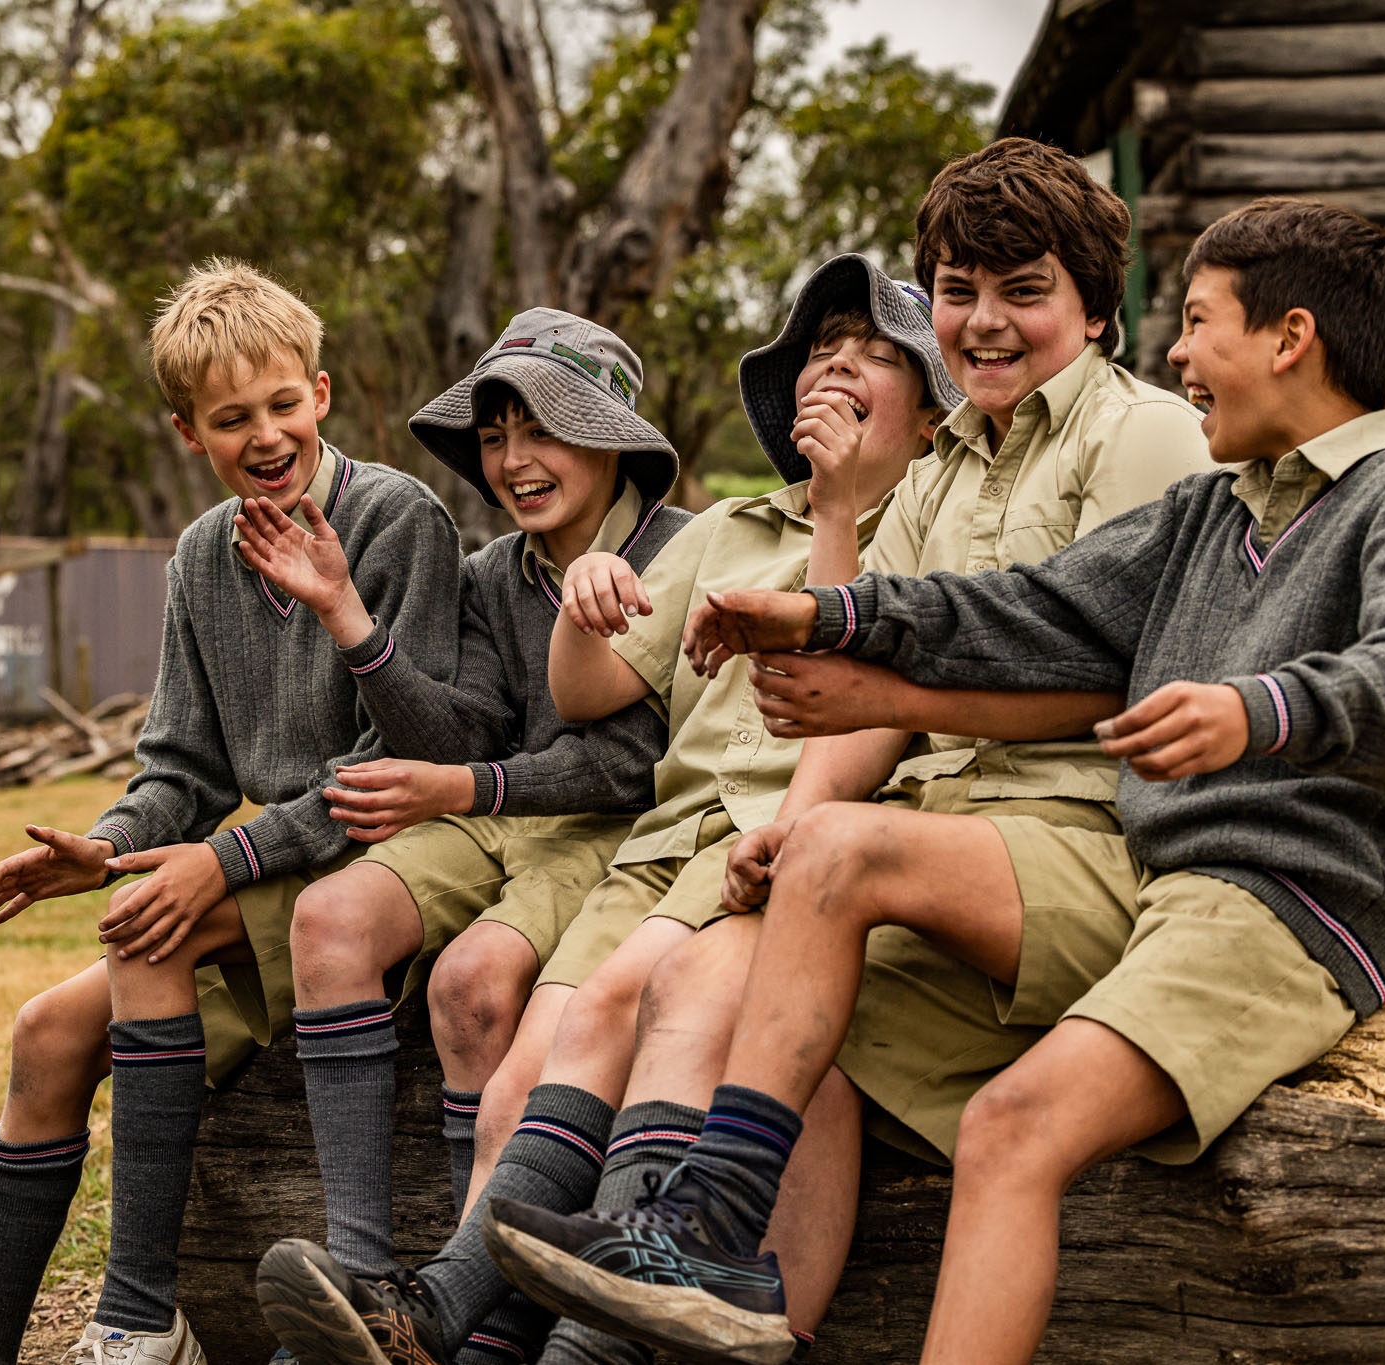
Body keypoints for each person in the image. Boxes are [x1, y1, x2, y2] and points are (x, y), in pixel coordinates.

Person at [490, 197, 1385, 1365]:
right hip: (1165, 883)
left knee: (1011, 1123)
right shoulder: (1212, 509)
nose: (1175, 352)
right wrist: (825, 611)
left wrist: (1254, 708)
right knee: (807, 1006)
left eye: (1199, 321)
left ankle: (704, 1230)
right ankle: (714, 1251)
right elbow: (1024, 610)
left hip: (1289, 899)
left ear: (1290, 338)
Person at [483, 135, 1212, 1364]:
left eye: (1023, 292)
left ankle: (688, 1238)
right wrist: (785, 818)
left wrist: (826, 802)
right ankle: (709, 1311)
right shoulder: (935, 477)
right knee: (747, 1003)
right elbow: (876, 703)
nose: (985, 324)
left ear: (1095, 308)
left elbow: (1126, 683)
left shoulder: (1136, 438)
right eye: (962, 293)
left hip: (1089, 836)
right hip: (947, 838)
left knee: (820, 876)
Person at [254, 252, 961, 1365]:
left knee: (627, 1012)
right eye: (825, 351)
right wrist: (581, 611)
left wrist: (834, 510)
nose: (838, 368)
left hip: (785, 844)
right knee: (520, 1094)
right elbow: (575, 697)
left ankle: (490, 1325)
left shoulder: (937, 522)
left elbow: (833, 702)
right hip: (670, 852)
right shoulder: (723, 530)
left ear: (929, 422)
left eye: (877, 358)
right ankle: (438, 1323)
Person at [0, 259, 463, 1365]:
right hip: (269, 878)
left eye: (283, 405)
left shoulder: (395, 519)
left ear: (320, 394)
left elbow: (398, 764)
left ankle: (139, 1316)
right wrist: (112, 842)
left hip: (381, 867)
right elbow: (180, 766)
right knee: (43, 1034)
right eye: (233, 419)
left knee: (155, 922)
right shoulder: (198, 557)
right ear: (190, 432)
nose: (266, 434)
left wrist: (220, 863)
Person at [233, 307, 689, 1357]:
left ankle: (476, 1324)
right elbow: (466, 727)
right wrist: (352, 620)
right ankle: (358, 1282)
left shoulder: (677, 553)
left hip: (608, 829)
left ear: (612, 433)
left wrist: (466, 787)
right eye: (494, 437)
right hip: (495, 809)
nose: (515, 462)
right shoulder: (492, 574)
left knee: (471, 981)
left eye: (543, 429)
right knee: (332, 917)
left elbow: (633, 765)